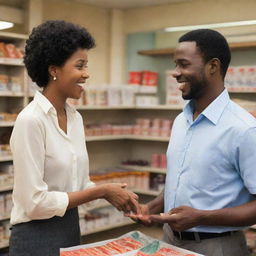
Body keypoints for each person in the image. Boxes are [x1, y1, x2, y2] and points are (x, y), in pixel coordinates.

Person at [9, 20, 140, 256]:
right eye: (80, 66)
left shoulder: (75, 118)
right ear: (53, 70)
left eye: (86, 65)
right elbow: (34, 203)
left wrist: (114, 194)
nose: (86, 74)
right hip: (34, 236)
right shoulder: (31, 121)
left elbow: (79, 185)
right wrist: (101, 192)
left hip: (70, 228)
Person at [129, 29, 256, 256]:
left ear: (213, 67)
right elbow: (181, 184)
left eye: (184, 64)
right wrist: (152, 208)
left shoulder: (243, 129)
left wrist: (201, 217)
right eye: (175, 65)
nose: (176, 73)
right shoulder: (181, 121)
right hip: (169, 240)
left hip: (217, 246)